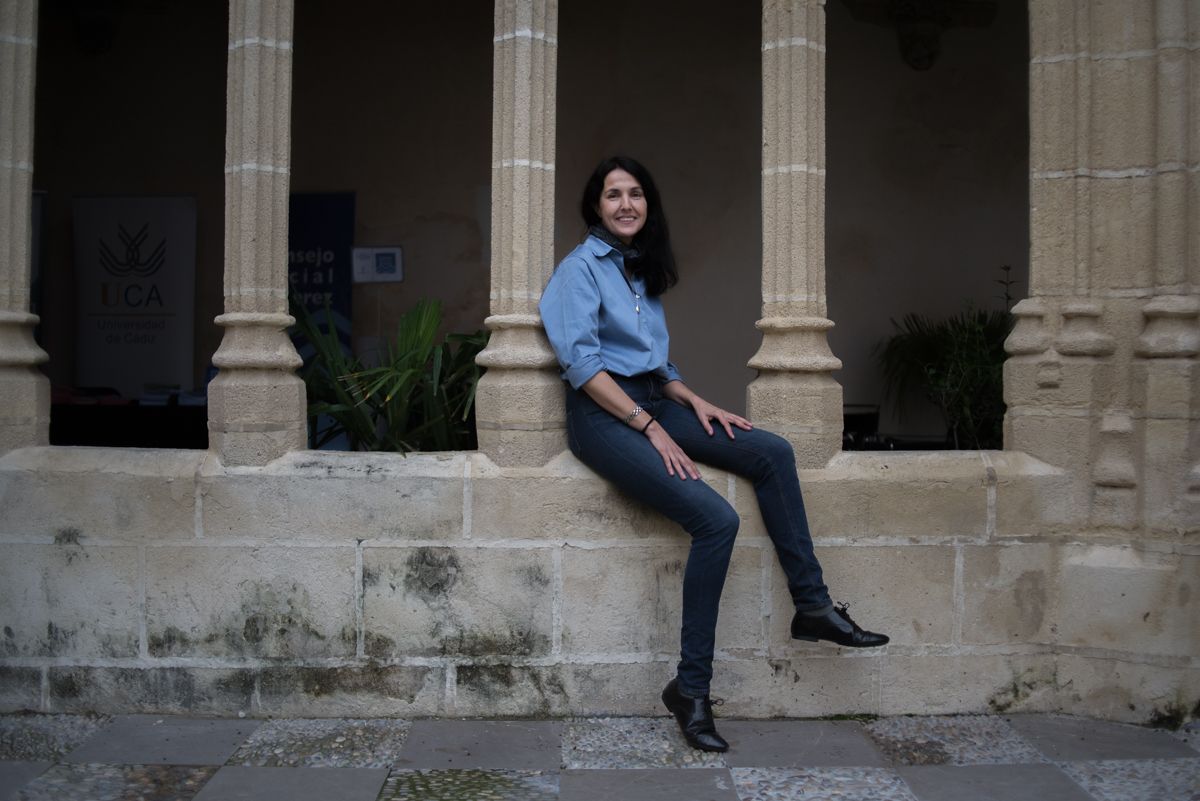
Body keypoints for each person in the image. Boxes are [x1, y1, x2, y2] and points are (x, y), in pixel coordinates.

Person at [539, 155, 888, 753]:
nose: (627, 204)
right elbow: (585, 368)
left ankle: (813, 606)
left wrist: (695, 401)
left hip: (654, 399)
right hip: (604, 417)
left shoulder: (637, 268)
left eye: (637, 194)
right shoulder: (579, 271)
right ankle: (691, 690)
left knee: (771, 451)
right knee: (716, 520)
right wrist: (650, 426)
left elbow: (652, 359)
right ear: (595, 207)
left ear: (648, 205)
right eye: (614, 195)